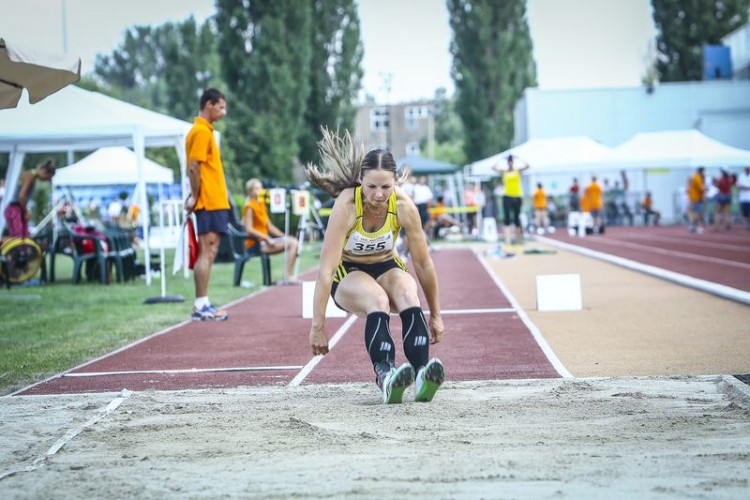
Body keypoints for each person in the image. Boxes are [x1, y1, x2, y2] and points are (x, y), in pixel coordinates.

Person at [303, 128, 445, 405]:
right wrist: (317, 325)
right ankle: (386, 375)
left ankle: (420, 374)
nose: (379, 194)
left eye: (386, 187)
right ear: (360, 180)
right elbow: (326, 271)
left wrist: (436, 314)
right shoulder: (346, 206)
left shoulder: (403, 206)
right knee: (377, 299)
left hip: (387, 265)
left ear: (395, 183)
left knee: (407, 290)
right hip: (349, 273)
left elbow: (424, 265)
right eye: (371, 187)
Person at [185, 88, 230, 322]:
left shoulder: (206, 131)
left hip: (215, 202)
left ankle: (204, 303)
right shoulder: (201, 131)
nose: (224, 111)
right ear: (209, 104)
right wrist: (195, 197)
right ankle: (201, 305)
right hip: (208, 202)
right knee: (207, 251)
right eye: (221, 106)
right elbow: (194, 166)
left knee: (210, 252)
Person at [242, 178, 299, 282]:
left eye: (260, 188)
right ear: (250, 191)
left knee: (293, 241)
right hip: (255, 243)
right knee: (293, 243)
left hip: (265, 241)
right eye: (256, 188)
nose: (260, 190)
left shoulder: (261, 204)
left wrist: (284, 236)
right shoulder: (249, 206)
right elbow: (249, 229)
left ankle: (289, 275)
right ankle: (288, 276)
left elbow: (269, 226)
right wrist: (267, 238)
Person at [3, 157, 56, 238]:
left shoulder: (33, 177)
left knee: (24, 237)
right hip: (14, 208)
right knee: (18, 237)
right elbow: (22, 195)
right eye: (47, 178)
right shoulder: (30, 175)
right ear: (44, 172)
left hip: (18, 208)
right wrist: (26, 211)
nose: (46, 180)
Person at [492, 154, 530, 247]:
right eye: (509, 161)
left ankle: (518, 240)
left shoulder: (518, 171)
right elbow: (493, 168)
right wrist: (501, 159)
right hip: (507, 197)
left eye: (511, 161)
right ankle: (507, 240)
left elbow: (527, 166)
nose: (510, 162)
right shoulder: (504, 172)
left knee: (517, 219)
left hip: (517, 197)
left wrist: (519, 158)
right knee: (507, 219)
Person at [687, 167, 706, 233]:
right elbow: (701, 189)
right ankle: (695, 226)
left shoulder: (693, 177)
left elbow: (689, 187)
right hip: (697, 198)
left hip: (692, 197)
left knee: (693, 212)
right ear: (702, 171)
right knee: (697, 213)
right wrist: (704, 193)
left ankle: (693, 226)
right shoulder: (698, 177)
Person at [737, 166, 750, 230]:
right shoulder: (741, 176)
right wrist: (746, 188)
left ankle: (748, 224)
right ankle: (747, 222)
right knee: (745, 212)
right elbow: (739, 185)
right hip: (743, 198)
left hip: (749, 197)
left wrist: (745, 187)